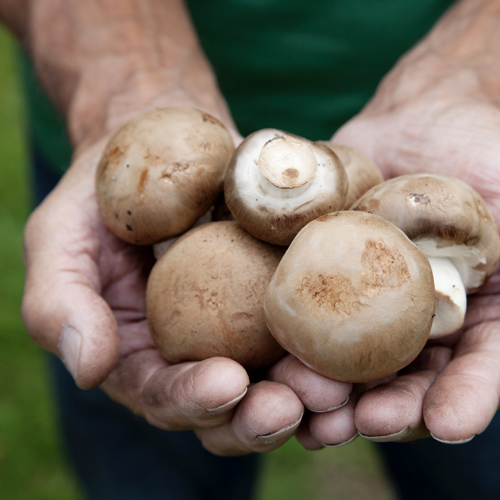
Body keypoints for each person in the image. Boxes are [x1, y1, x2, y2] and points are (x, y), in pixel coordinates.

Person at [2, 0, 500, 498]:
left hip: (434, 97)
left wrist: (475, 68)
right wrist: (123, 85)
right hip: (127, 107)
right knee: (154, 465)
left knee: (469, 463)